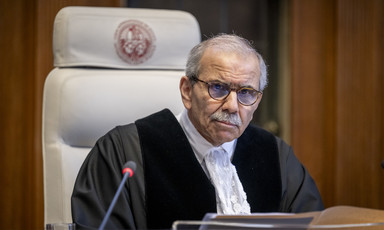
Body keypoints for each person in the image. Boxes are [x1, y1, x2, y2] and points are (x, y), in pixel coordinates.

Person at [71, 34, 324, 230]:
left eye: (246, 92)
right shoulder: (122, 153)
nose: (233, 106)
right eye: (218, 88)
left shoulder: (276, 155)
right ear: (187, 91)